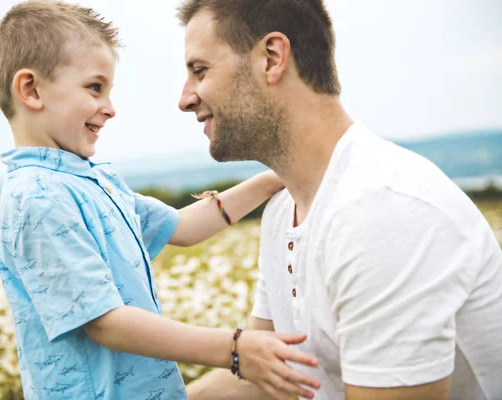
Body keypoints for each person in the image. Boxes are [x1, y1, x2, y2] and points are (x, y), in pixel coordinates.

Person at [0, 1, 321, 399]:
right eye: (95, 87)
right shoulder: (36, 199)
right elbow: (104, 322)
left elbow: (182, 227)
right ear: (31, 90)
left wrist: (270, 181)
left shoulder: (94, 180)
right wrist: (233, 348)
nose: (110, 109)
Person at [176, 1, 502, 399]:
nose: (186, 98)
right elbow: (263, 380)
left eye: (200, 70)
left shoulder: (382, 211)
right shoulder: (283, 211)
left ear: (272, 58)